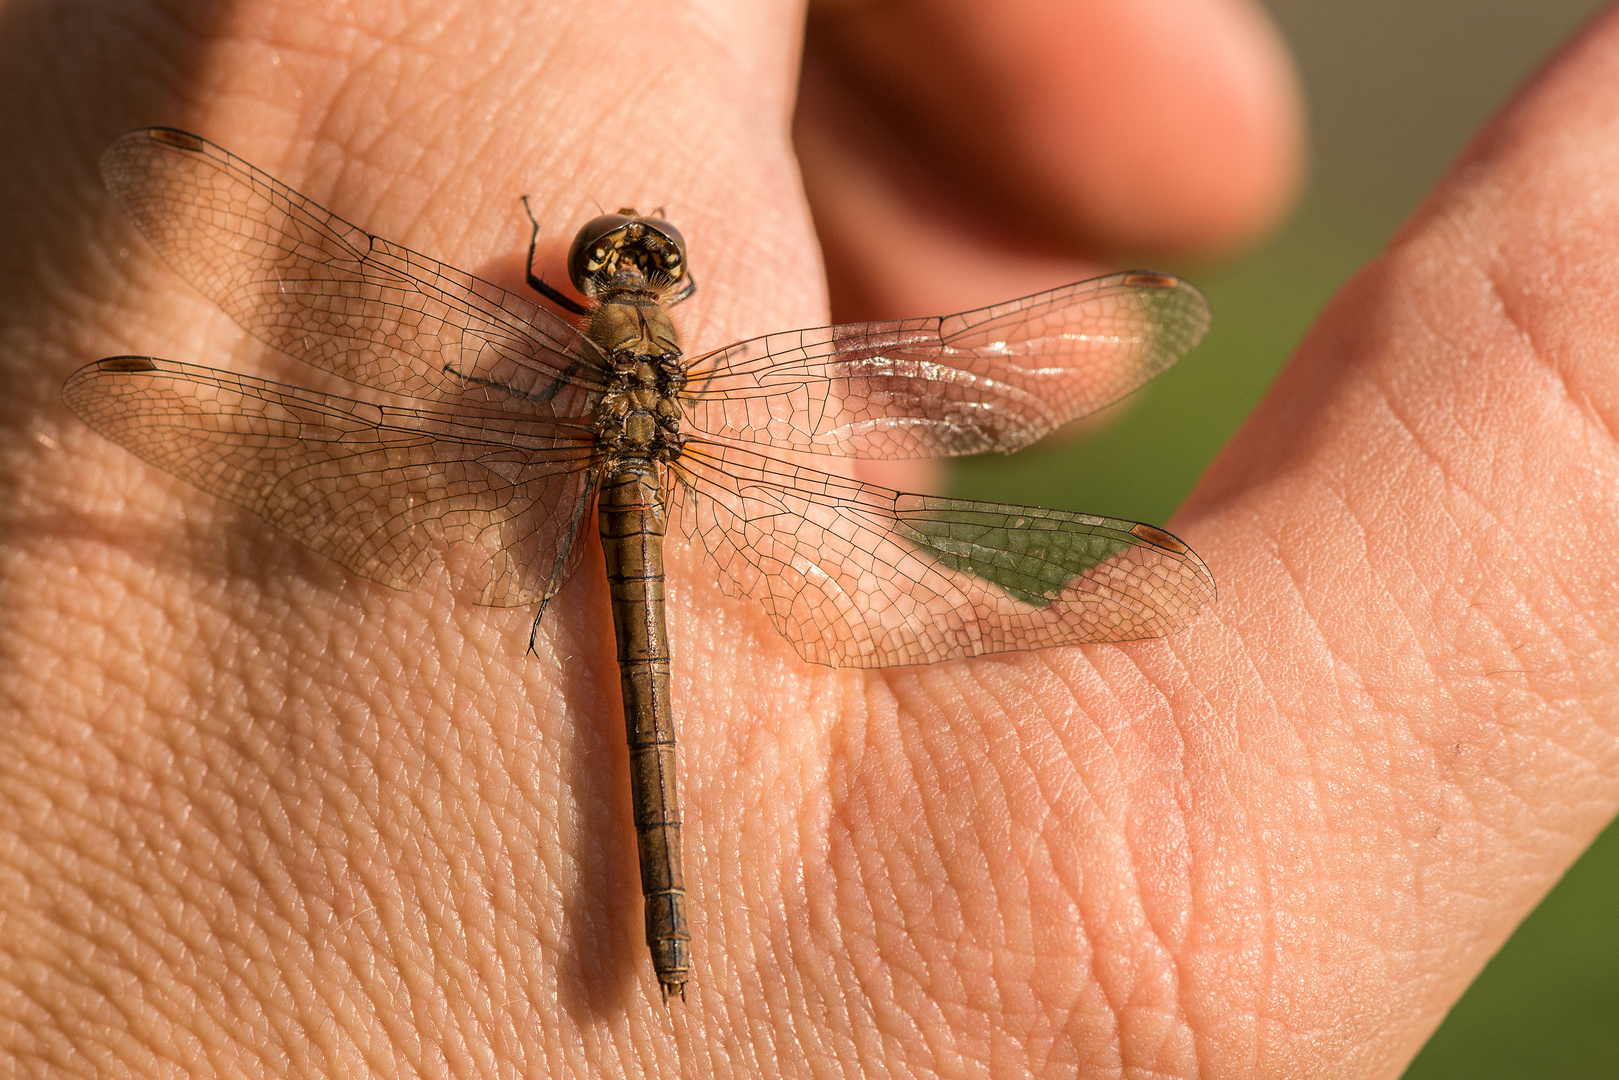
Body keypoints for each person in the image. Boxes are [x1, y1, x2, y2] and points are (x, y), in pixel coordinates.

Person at [2, 0, 1611, 1075]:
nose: (624, 273)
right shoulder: (699, 376)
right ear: (664, 305)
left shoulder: (553, 364)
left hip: (583, 488)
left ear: (591, 305)